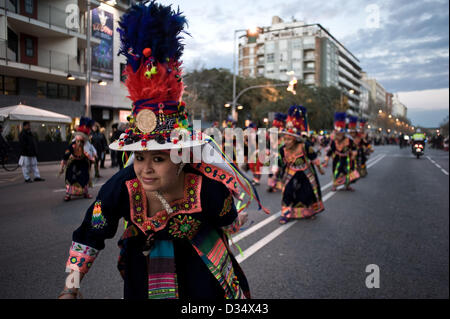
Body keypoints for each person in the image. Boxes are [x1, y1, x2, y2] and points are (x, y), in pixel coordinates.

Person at [58, 1, 267, 300]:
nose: (145, 168)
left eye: (158, 158)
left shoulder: (208, 189)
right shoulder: (123, 186)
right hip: (142, 275)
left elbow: (227, 218)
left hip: (201, 273)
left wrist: (236, 219)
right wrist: (71, 286)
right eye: (139, 157)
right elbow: (90, 235)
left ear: (181, 158)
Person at [278, 105, 324, 224]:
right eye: (285, 139)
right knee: (287, 192)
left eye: (289, 140)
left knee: (307, 193)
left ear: (295, 140)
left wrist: (320, 169)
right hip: (291, 172)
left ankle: (309, 212)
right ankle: (286, 214)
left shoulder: (305, 146)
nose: (286, 142)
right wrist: (276, 169)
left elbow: (314, 159)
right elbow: (281, 162)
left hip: (305, 172)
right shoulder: (282, 149)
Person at [59, 118, 95, 201]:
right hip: (73, 164)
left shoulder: (86, 145)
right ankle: (68, 194)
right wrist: (63, 163)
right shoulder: (72, 144)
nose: (79, 139)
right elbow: (67, 153)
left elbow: (89, 154)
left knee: (84, 177)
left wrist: (91, 158)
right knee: (70, 178)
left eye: (81, 137)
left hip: (83, 164)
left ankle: (85, 192)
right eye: (78, 137)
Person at [323, 112, 358, 191]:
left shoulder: (349, 140)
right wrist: (326, 159)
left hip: (347, 159)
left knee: (348, 172)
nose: (338, 136)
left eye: (340, 134)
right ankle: (335, 185)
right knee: (336, 172)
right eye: (337, 134)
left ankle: (347, 185)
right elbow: (330, 151)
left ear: (343, 133)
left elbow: (354, 148)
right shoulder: (333, 141)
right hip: (337, 159)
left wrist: (353, 154)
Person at [267, 112, 286, 192]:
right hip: (277, 154)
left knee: (274, 169)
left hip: (275, 153)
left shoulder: (275, 131)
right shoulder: (280, 132)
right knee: (277, 169)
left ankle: (273, 185)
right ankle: (274, 185)